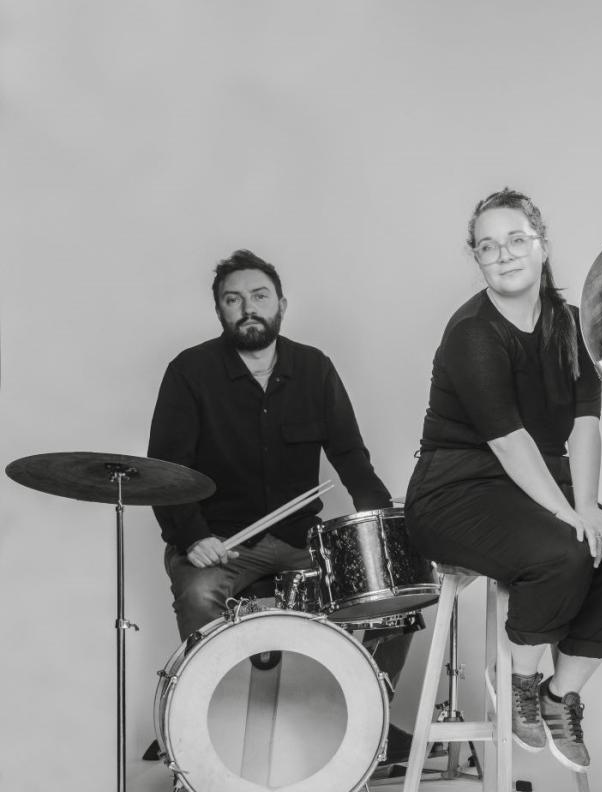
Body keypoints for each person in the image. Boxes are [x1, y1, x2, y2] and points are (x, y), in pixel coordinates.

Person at [404, 188, 602, 773]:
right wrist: (572, 518)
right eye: (488, 247)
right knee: (566, 552)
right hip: (456, 491)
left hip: (537, 483)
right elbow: (510, 443)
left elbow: (586, 423)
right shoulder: (472, 333)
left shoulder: (572, 322)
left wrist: (586, 507)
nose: (504, 254)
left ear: (541, 245)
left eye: (516, 240)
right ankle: (515, 674)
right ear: (478, 259)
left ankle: (559, 695)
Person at [147, 249, 416, 765]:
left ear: (281, 305)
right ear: (221, 312)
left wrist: (381, 529)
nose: (247, 307)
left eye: (259, 296)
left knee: (391, 596)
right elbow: (168, 470)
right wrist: (192, 537)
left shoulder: (313, 368)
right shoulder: (189, 372)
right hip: (220, 542)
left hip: (299, 542)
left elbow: (351, 460)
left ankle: (367, 721)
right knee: (200, 594)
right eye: (233, 299)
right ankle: (205, 726)